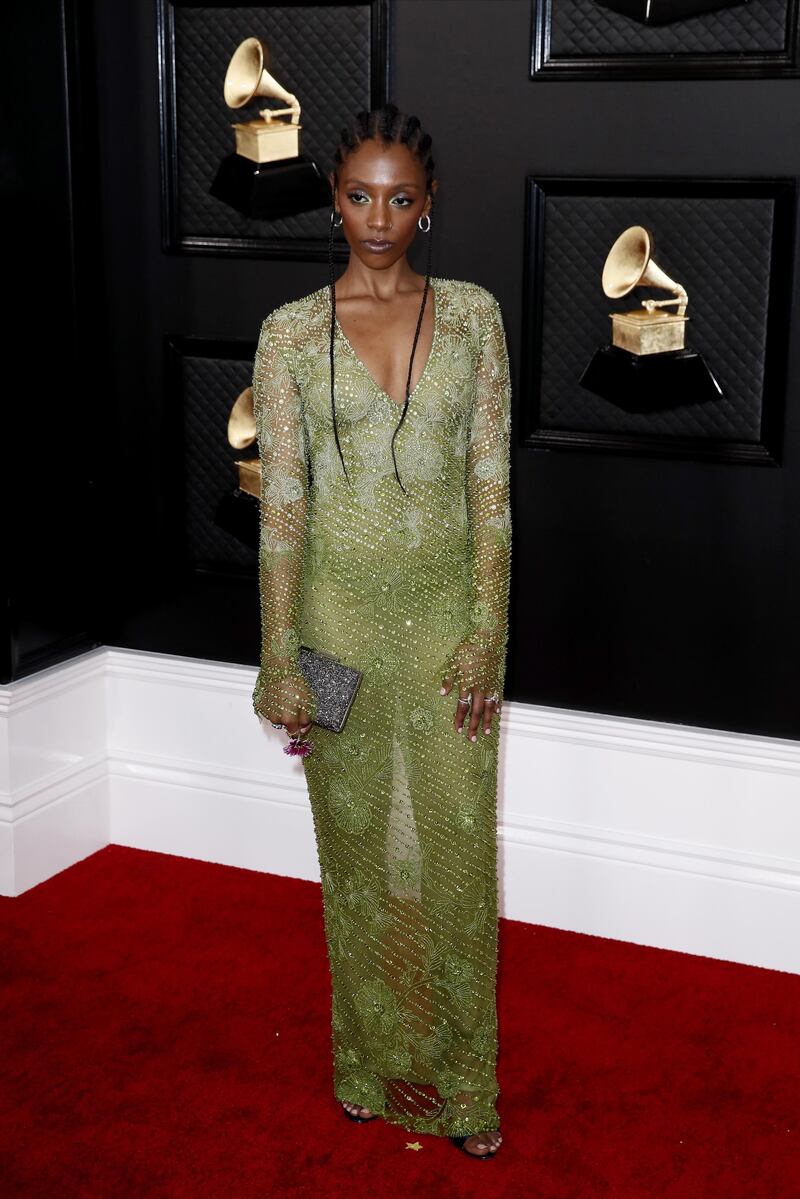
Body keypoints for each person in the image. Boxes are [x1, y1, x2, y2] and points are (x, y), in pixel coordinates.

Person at [251, 103, 512, 1159]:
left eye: (399, 197)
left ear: (428, 206)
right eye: (358, 195)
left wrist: (485, 631)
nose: (377, 216)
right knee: (357, 855)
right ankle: (365, 1062)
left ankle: (465, 1082)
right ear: (331, 201)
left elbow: (491, 490)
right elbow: (282, 509)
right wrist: (277, 655)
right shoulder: (285, 334)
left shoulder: (473, 319)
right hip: (335, 625)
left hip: (447, 616)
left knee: (454, 853)